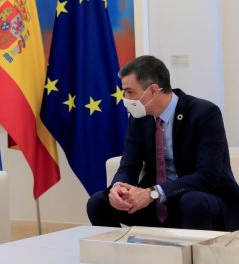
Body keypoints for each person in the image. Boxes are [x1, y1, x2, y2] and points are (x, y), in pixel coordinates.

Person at [87, 55, 239, 231]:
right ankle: (120, 256)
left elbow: (207, 176)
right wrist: (118, 187)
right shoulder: (139, 117)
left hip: (201, 197)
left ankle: (196, 258)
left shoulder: (204, 113)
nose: (125, 99)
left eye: (130, 92)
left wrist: (153, 193)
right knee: (98, 202)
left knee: (193, 202)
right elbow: (129, 165)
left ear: (152, 90)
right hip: (157, 203)